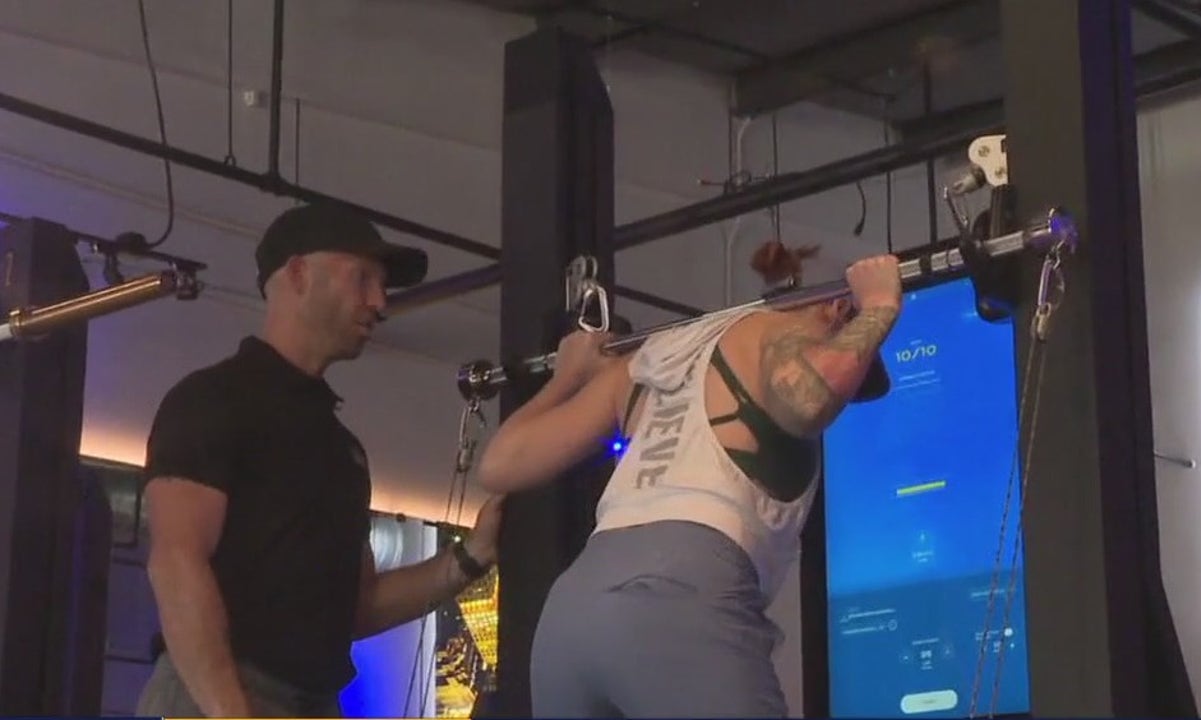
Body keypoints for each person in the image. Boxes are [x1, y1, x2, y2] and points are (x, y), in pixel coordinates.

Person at [475, 240, 903, 718]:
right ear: (836, 308)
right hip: (680, 594)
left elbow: (501, 463)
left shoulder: (646, 361)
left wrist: (567, 377)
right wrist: (880, 307)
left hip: (571, 613)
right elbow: (808, 400)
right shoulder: (778, 333)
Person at [136, 202, 504, 718]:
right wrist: (229, 711)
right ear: (298, 274)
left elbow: (358, 606)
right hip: (219, 692)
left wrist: (472, 555)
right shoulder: (212, 400)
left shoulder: (340, 448)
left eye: (381, 285)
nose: (379, 301)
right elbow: (176, 563)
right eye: (363, 278)